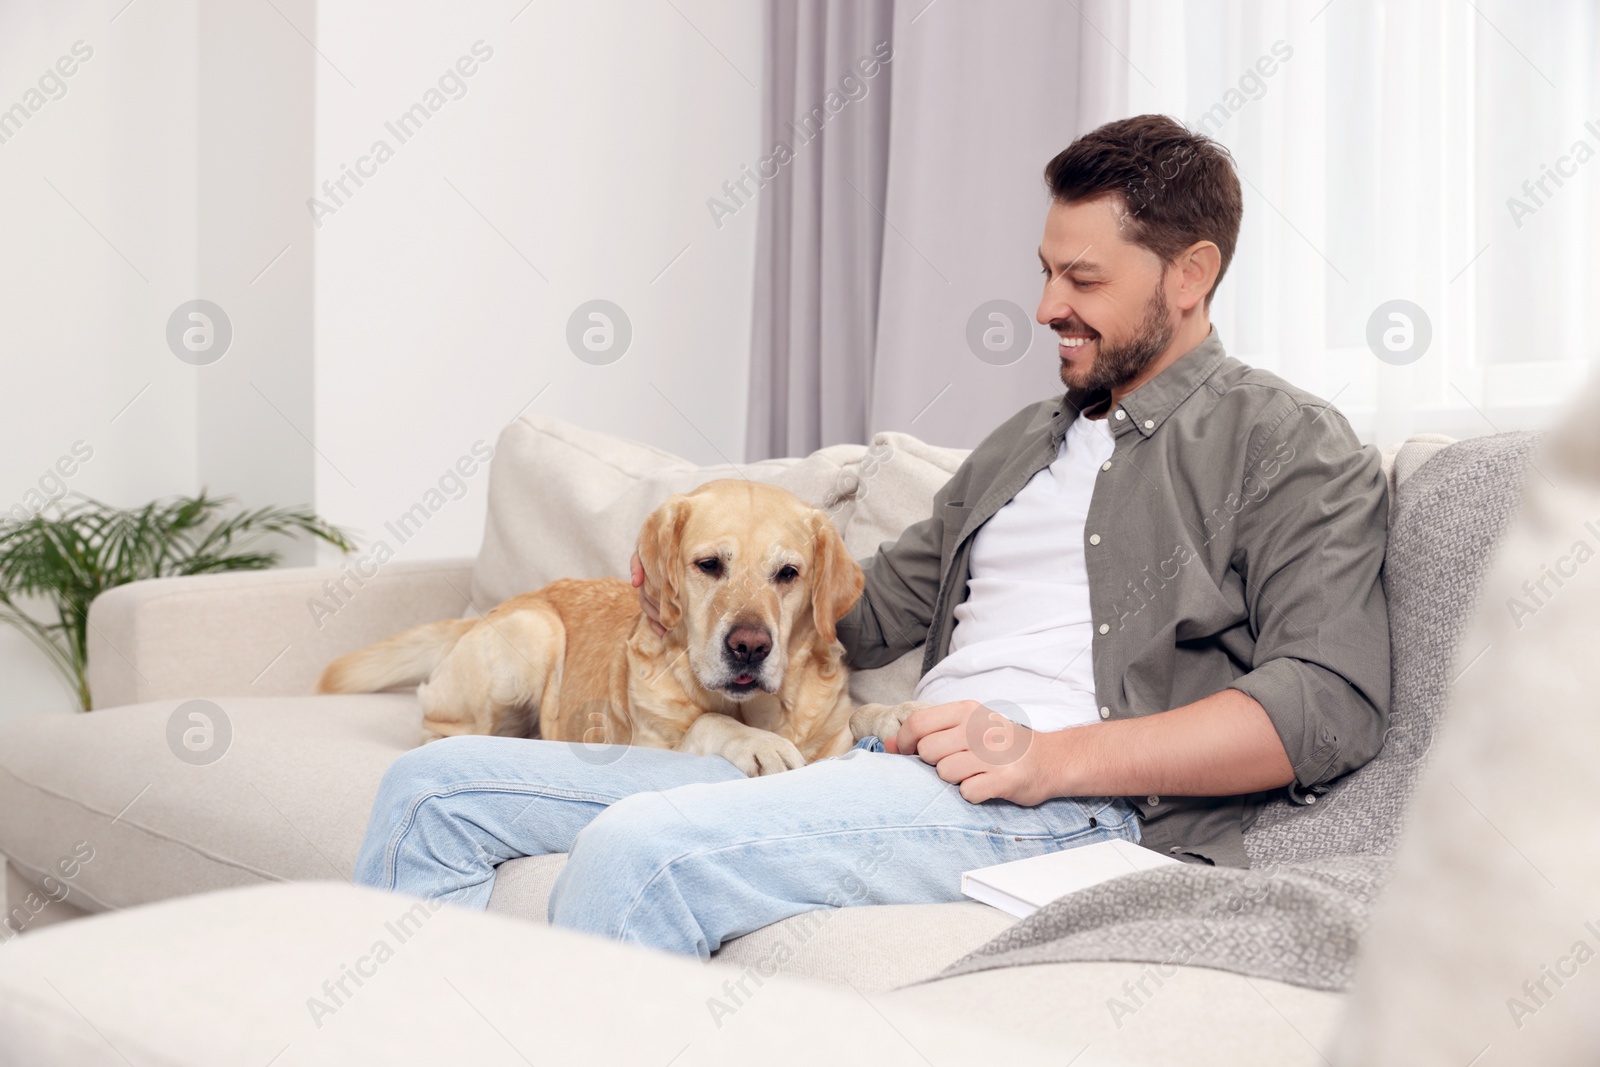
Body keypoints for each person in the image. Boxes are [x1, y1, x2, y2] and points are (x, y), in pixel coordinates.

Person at [353, 114, 1391, 959]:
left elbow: (1328, 703)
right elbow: (864, 609)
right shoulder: (1026, 442)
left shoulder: (1285, 445)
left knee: (645, 852)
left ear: (1188, 275)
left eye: (1081, 281)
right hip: (879, 754)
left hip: (1071, 803)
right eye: (1044, 272)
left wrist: (1049, 756)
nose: (1043, 307)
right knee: (429, 792)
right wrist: (692, 593)